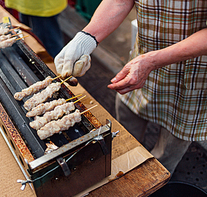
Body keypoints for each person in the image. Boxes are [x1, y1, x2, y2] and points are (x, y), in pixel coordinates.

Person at [54, 0, 207, 174]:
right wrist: (86, 39)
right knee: (126, 125)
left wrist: (153, 61)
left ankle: (153, 179)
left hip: (194, 72)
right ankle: (124, 165)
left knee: (168, 149)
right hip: (140, 58)